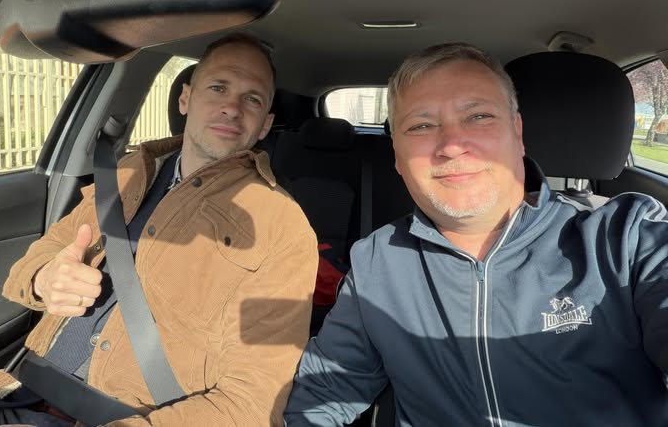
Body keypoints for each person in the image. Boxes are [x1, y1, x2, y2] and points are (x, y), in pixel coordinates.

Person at [284, 43, 668, 426]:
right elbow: (321, 394)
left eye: (479, 116)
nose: (452, 146)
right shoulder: (376, 261)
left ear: (517, 132)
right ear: (397, 155)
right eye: (421, 126)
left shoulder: (624, 236)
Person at [0, 33, 318, 426]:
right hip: (16, 390)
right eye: (218, 87)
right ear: (185, 99)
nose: (232, 107)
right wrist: (45, 277)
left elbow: (251, 405)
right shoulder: (126, 173)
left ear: (265, 125)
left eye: (253, 99)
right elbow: (44, 252)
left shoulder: (283, 229)